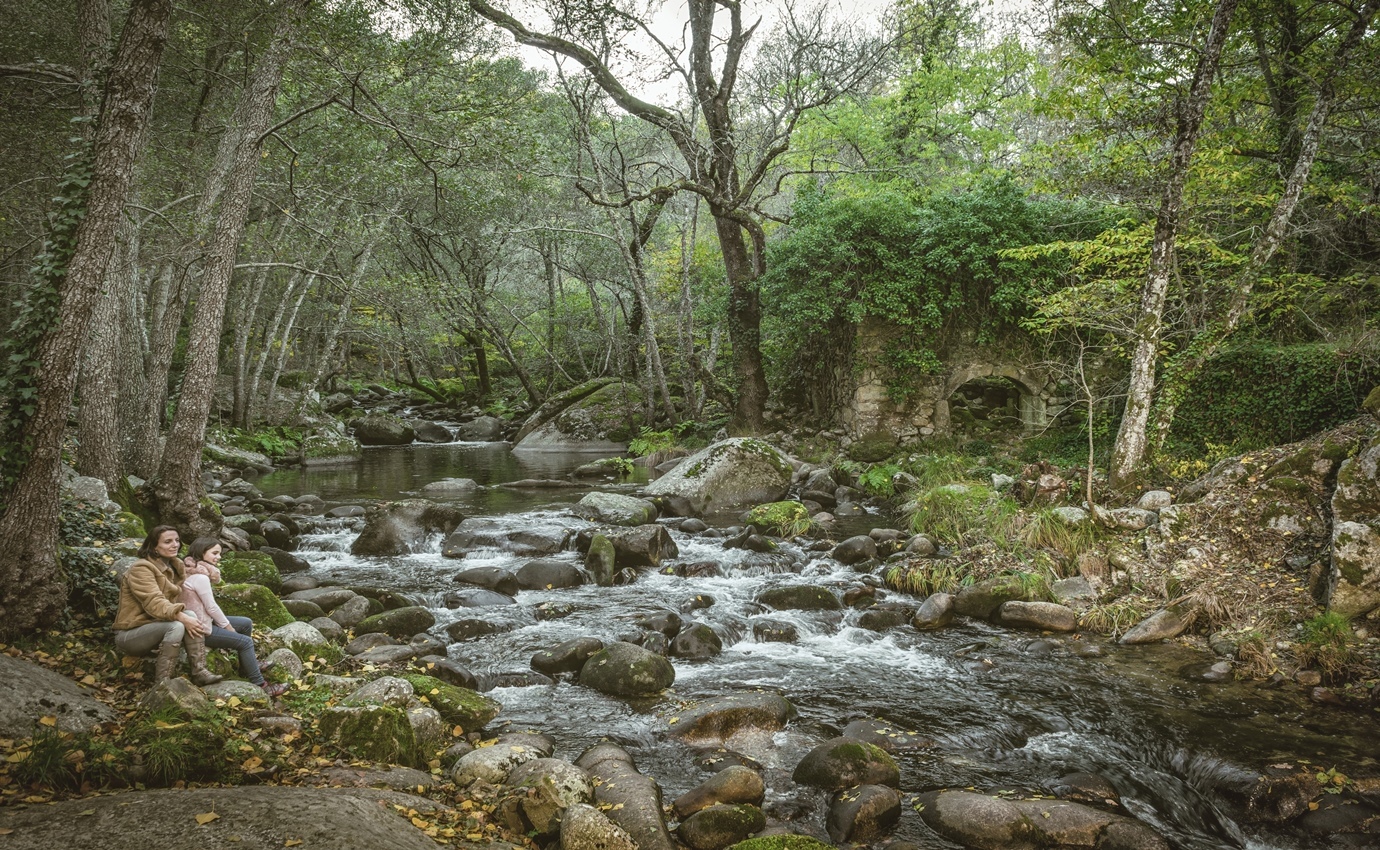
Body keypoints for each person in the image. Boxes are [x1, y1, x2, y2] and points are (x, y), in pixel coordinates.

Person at [112, 526, 222, 686]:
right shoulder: (141, 568)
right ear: (154, 546)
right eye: (168, 541)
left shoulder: (175, 567)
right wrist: (182, 617)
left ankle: (200, 672)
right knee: (177, 625)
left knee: (191, 615)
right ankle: (163, 682)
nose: (175, 545)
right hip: (130, 634)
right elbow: (154, 602)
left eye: (177, 540)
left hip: (155, 626)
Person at [182, 537, 287, 698]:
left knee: (245, 623)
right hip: (199, 629)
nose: (219, 557)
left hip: (203, 620)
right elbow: (211, 607)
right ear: (201, 553)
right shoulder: (200, 577)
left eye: (220, 553)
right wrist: (227, 627)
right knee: (245, 642)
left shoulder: (191, 570)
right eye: (215, 553)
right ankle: (261, 684)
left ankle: (247, 666)